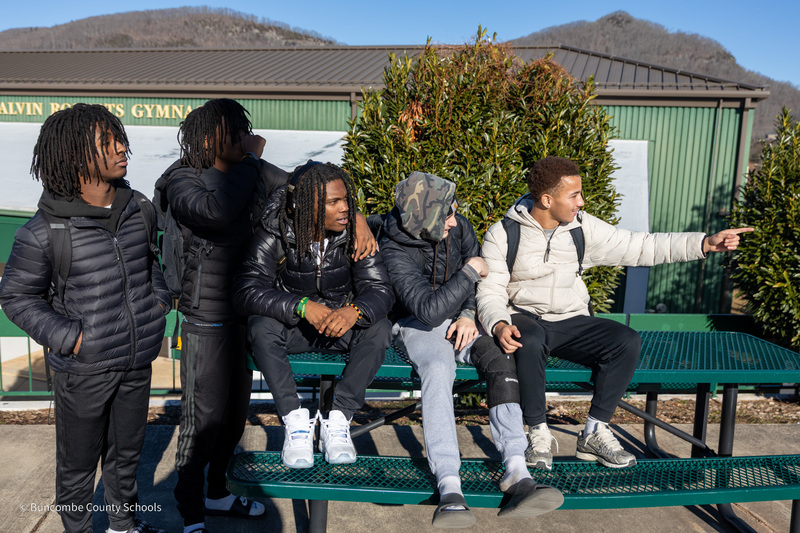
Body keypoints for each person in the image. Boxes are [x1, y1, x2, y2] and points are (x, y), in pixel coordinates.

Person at [159, 100, 378, 533]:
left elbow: (309, 188)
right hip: (207, 316)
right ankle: (190, 513)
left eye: (246, 131)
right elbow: (217, 210)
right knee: (200, 421)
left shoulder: (252, 170)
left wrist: (356, 217)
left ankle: (217, 493)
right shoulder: (182, 178)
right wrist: (254, 158)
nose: (246, 137)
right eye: (237, 132)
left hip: (251, 310)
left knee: (233, 418)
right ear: (210, 137)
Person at [477, 156, 753, 470]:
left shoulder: (582, 229)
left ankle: (594, 431)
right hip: (524, 317)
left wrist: (703, 243)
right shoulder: (503, 234)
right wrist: (498, 323)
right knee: (528, 338)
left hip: (569, 319)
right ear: (546, 199)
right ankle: (537, 434)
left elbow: (641, 246)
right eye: (574, 195)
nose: (581, 202)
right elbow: (491, 290)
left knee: (625, 340)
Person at [0, 104, 170, 533]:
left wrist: (158, 304)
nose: (120, 148)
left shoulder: (140, 209)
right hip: (83, 369)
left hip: (135, 362)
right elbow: (16, 297)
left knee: (126, 457)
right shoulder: (43, 232)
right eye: (106, 143)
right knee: (77, 467)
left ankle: (123, 526)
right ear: (76, 157)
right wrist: (71, 337)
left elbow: (152, 264)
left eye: (119, 138)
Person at [378, 171, 564, 529]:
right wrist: (467, 274)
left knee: (498, 355)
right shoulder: (393, 249)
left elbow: (475, 281)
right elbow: (429, 309)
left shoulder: (458, 226)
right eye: (446, 213)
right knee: (438, 367)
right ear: (425, 219)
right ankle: (449, 483)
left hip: (460, 318)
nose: (455, 217)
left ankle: (516, 469)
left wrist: (466, 314)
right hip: (417, 324)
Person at [233, 161, 394, 468]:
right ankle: (295, 423)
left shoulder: (355, 235)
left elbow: (380, 289)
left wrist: (354, 311)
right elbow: (246, 291)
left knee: (379, 327)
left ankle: (338, 420)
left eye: (346, 199)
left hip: (339, 326)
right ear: (305, 206)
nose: (345, 208)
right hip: (296, 328)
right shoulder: (274, 233)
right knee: (260, 324)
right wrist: (302, 306)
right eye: (334, 202)